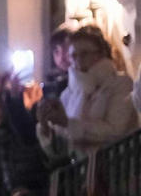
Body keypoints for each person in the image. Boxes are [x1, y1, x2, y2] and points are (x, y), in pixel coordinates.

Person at [38, 24, 138, 160]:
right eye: (73, 55)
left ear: (101, 53)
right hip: (83, 173)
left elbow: (115, 131)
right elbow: (63, 150)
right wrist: (46, 126)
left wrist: (68, 123)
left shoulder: (121, 84)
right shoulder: (69, 94)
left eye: (85, 54)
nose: (78, 60)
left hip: (116, 168)